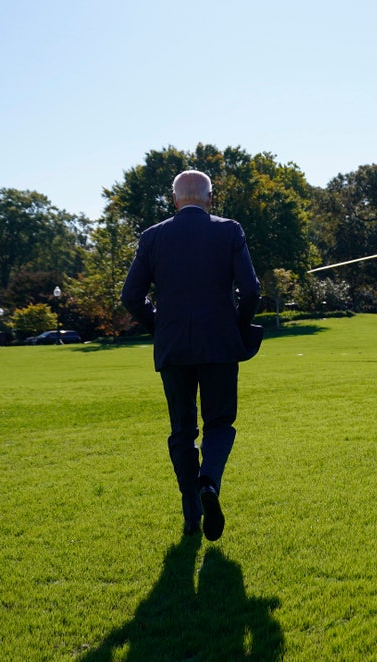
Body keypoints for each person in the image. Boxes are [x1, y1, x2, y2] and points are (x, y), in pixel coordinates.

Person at [121, 170, 261, 540]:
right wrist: (238, 326)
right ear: (210, 198)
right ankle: (209, 482)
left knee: (183, 429)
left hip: (173, 346)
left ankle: (191, 511)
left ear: (174, 200)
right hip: (219, 344)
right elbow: (250, 290)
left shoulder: (152, 237)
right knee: (219, 423)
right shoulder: (229, 230)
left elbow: (130, 297)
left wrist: (159, 325)